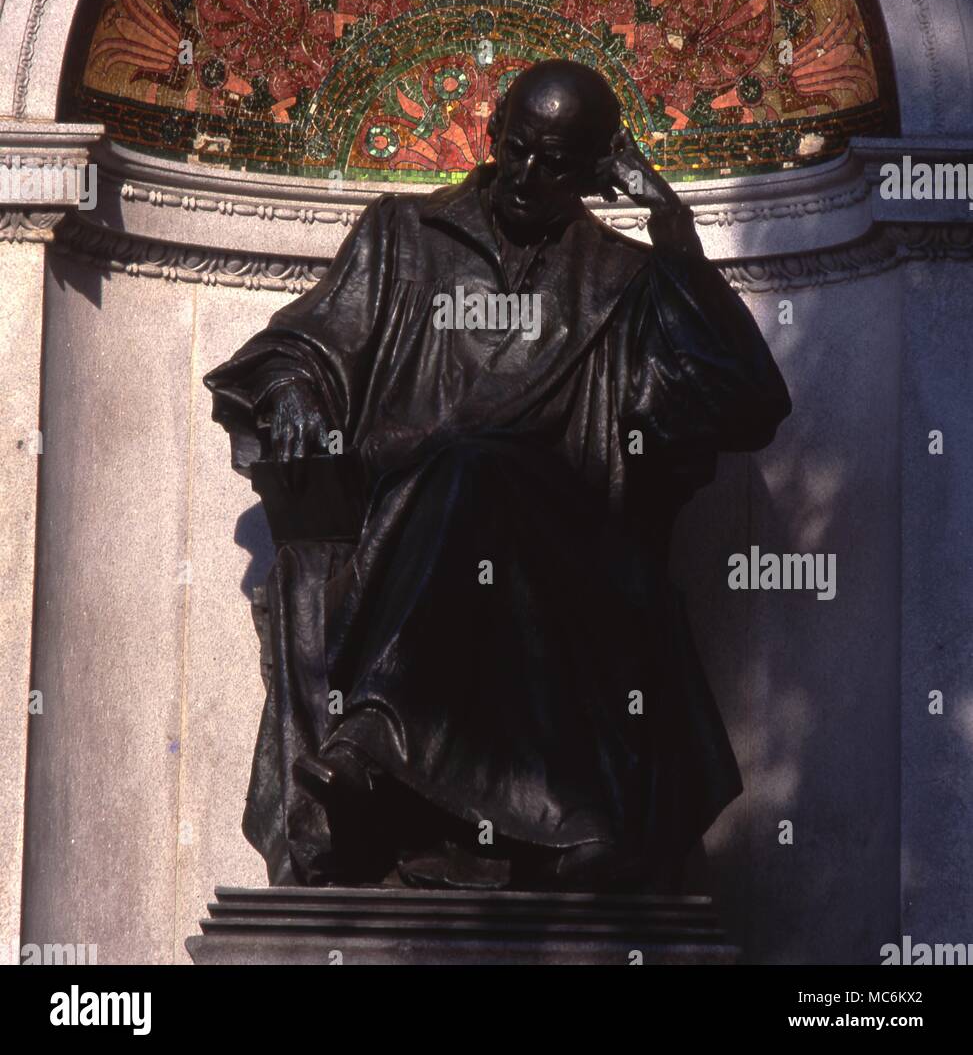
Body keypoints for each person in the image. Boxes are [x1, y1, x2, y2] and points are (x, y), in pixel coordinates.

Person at [204, 59, 792, 890]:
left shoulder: (622, 281)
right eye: (517, 148)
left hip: (567, 553)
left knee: (482, 469)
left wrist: (669, 224)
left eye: (556, 163)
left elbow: (749, 399)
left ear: (595, 169)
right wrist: (297, 390)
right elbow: (301, 344)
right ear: (489, 132)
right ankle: (567, 817)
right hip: (397, 528)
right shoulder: (400, 234)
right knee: (466, 471)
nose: (526, 176)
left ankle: (376, 735)